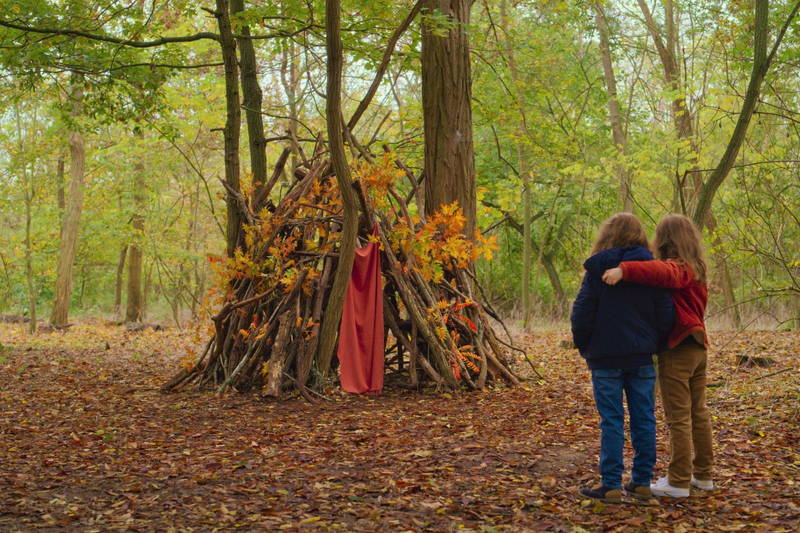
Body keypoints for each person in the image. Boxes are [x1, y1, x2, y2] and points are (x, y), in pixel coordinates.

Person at [602, 214, 714, 498]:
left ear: (665, 240)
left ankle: (678, 481)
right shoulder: (697, 266)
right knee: (697, 413)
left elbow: (664, 273)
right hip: (698, 346)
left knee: (679, 417)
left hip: (680, 348)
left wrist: (624, 270)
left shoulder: (680, 268)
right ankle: (702, 475)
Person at [571, 213, 674, 503]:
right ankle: (641, 481)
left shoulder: (597, 271)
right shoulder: (652, 271)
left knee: (612, 420)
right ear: (640, 236)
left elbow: (582, 312)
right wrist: (656, 343)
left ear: (607, 235)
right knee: (644, 417)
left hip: (605, 357)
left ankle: (612, 484)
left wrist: (585, 346)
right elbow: (665, 312)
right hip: (641, 357)